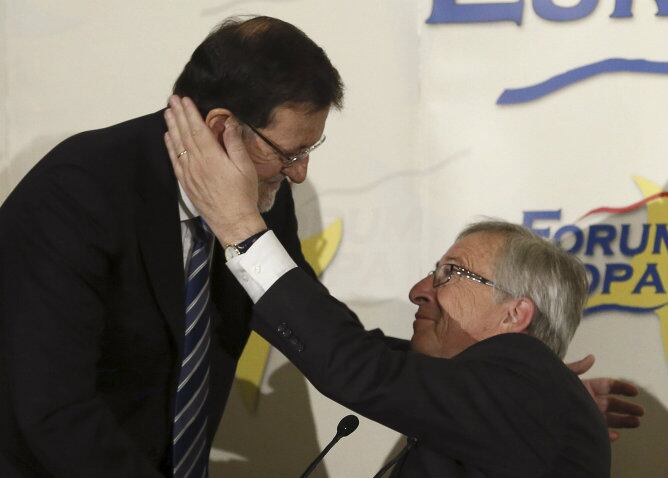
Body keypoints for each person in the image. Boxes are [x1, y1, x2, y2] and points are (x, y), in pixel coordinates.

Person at [163, 96, 645, 477]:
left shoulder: (530, 389)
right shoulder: (519, 401)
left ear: (514, 314)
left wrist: (241, 227)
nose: (420, 289)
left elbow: (358, 365)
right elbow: (364, 354)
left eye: (451, 273)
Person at [0, 16, 342, 477]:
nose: (299, 172)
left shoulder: (260, 199)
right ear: (222, 127)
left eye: (308, 151)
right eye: (289, 153)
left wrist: (444, 367)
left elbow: (303, 321)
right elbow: (55, 412)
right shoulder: (78, 195)